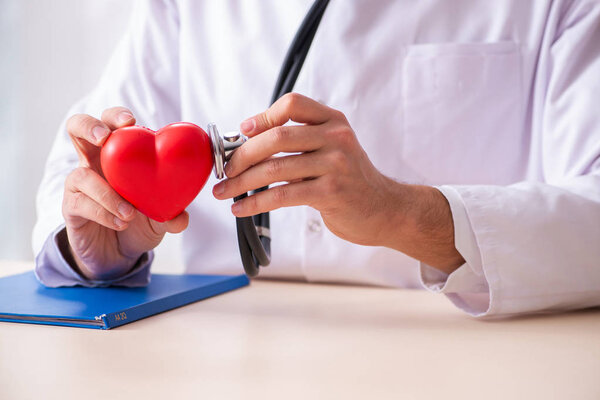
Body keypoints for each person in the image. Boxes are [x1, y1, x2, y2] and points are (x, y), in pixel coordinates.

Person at [33, 0, 600, 317]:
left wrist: (405, 214)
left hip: (461, 355)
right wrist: (101, 246)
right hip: (211, 354)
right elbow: (82, 161)